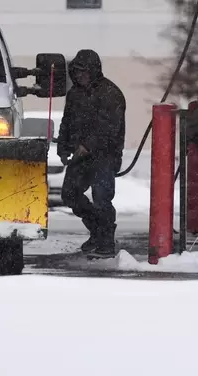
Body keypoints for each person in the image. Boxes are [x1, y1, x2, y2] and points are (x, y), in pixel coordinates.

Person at [57, 49, 126, 258]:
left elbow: (109, 128)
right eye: (76, 72)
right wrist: (63, 147)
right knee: (70, 194)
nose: (79, 76)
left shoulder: (111, 94)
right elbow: (67, 122)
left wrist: (87, 145)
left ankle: (106, 241)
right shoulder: (74, 94)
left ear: (94, 71)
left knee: (101, 197)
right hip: (81, 156)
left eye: (83, 72)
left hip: (105, 156)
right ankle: (96, 230)